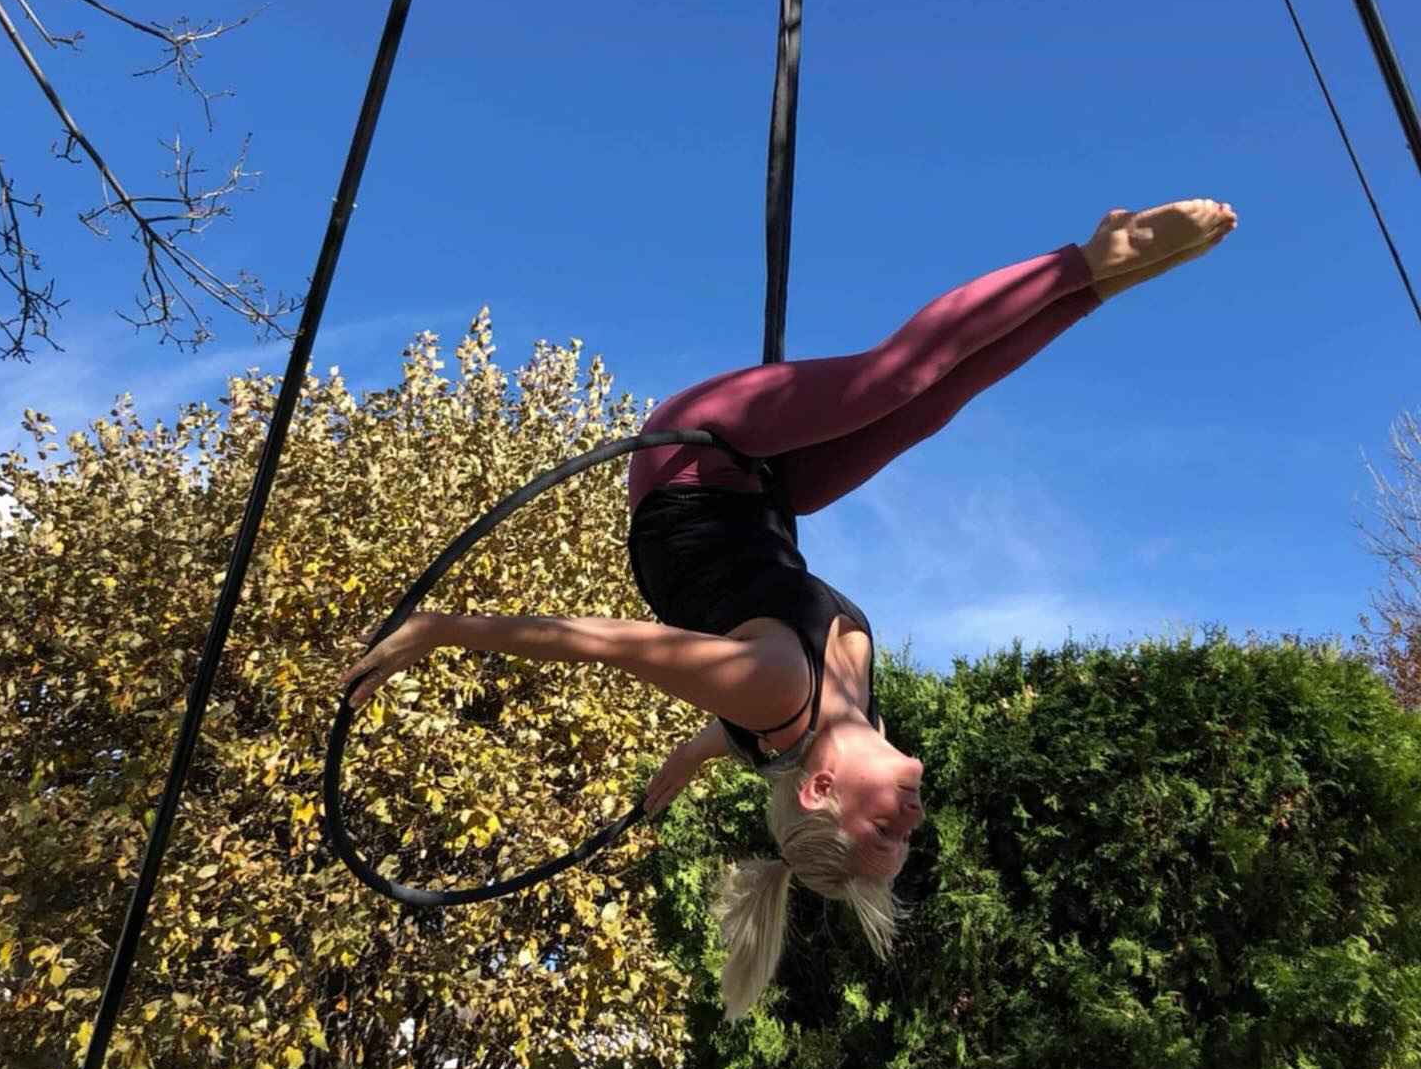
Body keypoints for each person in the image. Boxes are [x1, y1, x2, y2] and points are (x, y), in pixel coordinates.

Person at [338, 198, 1239, 1020]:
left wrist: (439, 631)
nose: (915, 817)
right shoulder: (820, 728)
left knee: (894, 381)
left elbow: (599, 643)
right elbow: (713, 747)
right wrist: (674, 778)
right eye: (906, 835)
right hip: (768, 494)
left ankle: (1094, 254)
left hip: (692, 459)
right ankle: (1096, 290)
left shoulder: (773, 690)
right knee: (932, 409)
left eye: (885, 827)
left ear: (822, 790)